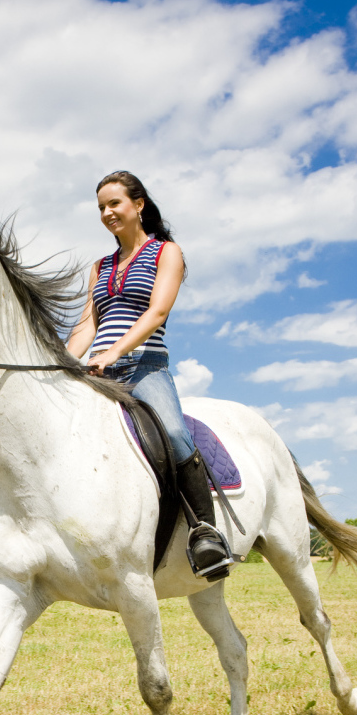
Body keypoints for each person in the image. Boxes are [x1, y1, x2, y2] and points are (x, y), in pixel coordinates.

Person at [66, 170, 233, 581]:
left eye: (114, 204)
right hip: (100, 371)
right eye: (101, 207)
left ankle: (204, 533)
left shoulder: (166, 253)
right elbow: (87, 325)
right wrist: (63, 362)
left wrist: (115, 351)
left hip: (145, 368)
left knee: (174, 433)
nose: (107, 213)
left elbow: (157, 311)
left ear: (138, 205)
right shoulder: (100, 267)